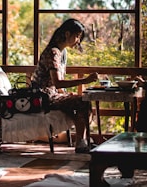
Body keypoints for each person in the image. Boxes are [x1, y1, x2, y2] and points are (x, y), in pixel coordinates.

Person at [30, 18, 98, 153]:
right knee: (82, 102)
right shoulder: (53, 52)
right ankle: (81, 143)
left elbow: (57, 84)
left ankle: (82, 141)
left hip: (51, 94)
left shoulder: (62, 53)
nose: (78, 40)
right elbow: (57, 82)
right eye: (77, 36)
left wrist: (65, 94)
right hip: (43, 96)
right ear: (67, 34)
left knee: (83, 102)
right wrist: (85, 80)